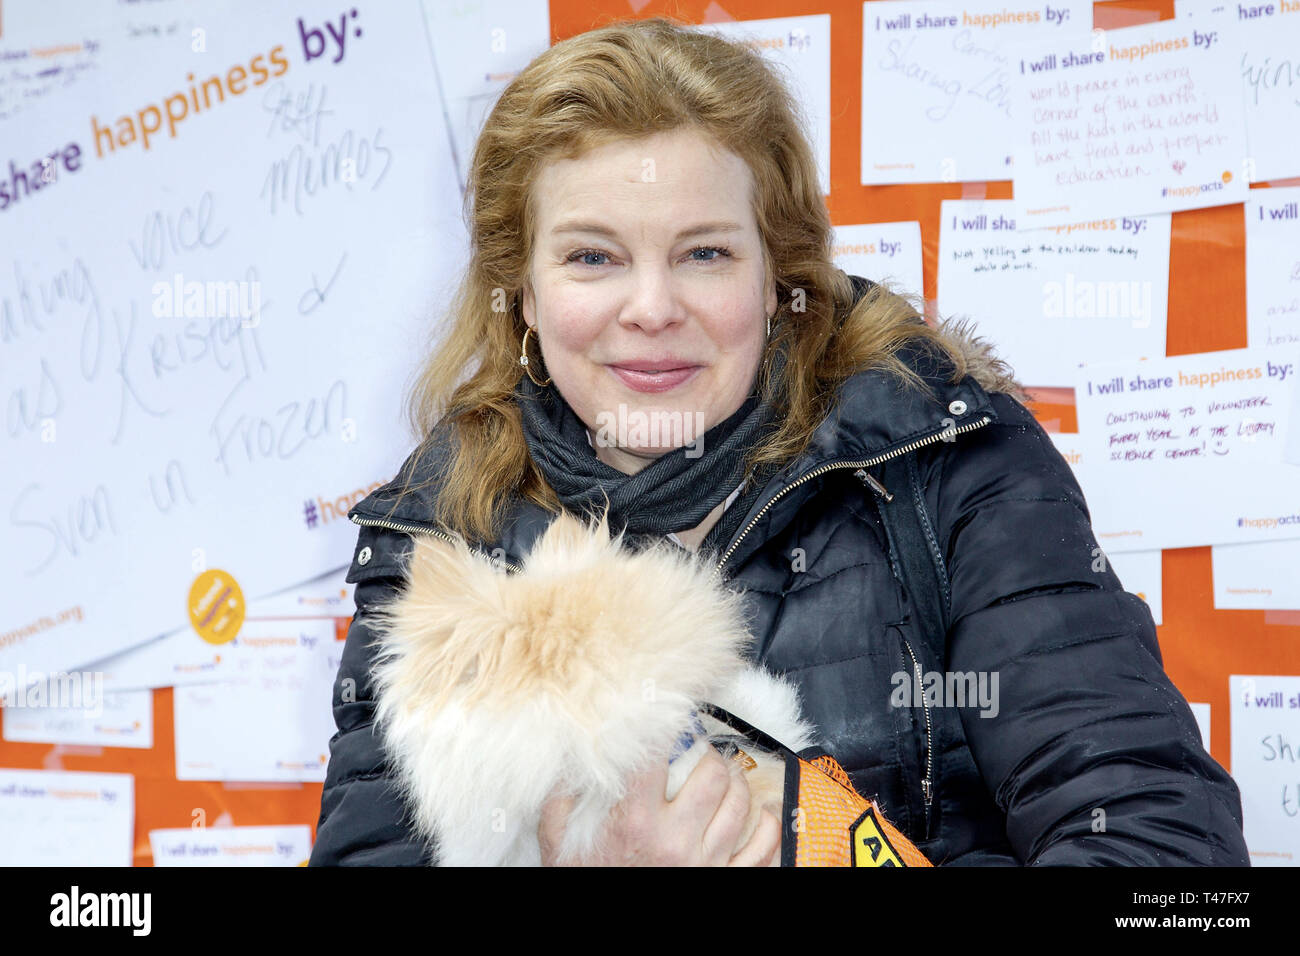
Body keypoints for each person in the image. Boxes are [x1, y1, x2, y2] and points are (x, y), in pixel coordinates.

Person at [309, 16, 1249, 866]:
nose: (651, 309)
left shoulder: (943, 465)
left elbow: (1162, 854)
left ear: (777, 278)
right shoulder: (437, 545)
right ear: (521, 289)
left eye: (705, 253)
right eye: (593, 256)